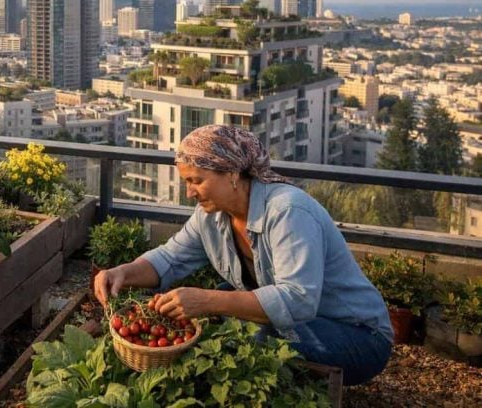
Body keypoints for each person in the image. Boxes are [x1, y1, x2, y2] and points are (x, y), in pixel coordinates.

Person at [94, 124, 393, 386]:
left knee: (246, 330)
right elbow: (170, 258)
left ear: (233, 174)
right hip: (305, 321)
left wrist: (207, 301)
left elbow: (299, 300)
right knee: (225, 308)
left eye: (196, 180)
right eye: (187, 182)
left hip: (359, 337)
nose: (190, 193)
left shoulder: (288, 211)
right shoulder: (211, 216)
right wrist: (123, 272)